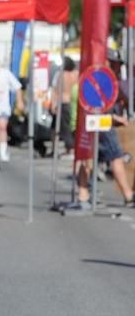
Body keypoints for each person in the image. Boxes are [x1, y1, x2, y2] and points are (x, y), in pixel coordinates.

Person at [66, 53, 135, 211]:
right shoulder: (102, 81)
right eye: (116, 64)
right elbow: (99, 110)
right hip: (100, 125)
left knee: (87, 159)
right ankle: (128, 195)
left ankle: (83, 194)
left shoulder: (86, 80)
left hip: (84, 124)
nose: (118, 68)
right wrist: (113, 120)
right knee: (115, 156)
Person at [50, 56, 78, 155]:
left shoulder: (59, 75)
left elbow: (54, 90)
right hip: (72, 102)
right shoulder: (75, 75)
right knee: (70, 125)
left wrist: (53, 104)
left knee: (59, 127)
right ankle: (70, 147)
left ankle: (62, 147)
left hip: (61, 102)